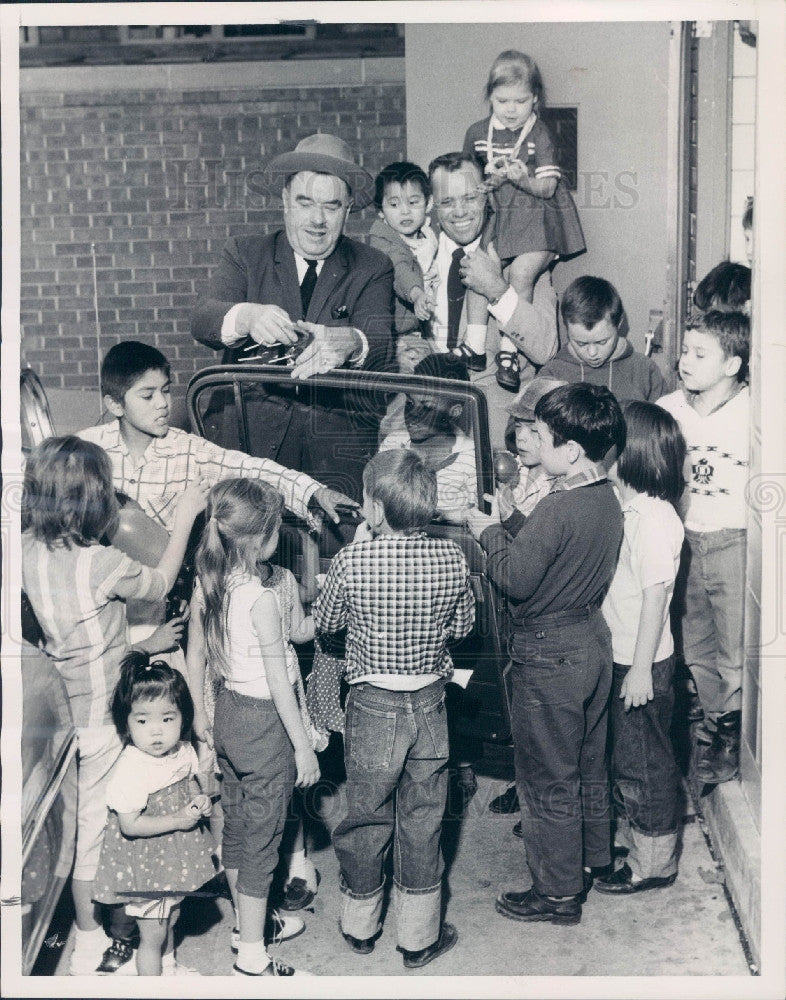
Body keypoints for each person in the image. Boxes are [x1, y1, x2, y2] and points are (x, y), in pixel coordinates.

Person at [20, 436, 207, 976]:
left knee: (72, 820)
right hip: (100, 720)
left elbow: (80, 637)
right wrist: (189, 515)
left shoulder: (28, 548)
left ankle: (94, 934)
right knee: (93, 833)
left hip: (60, 711)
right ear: (96, 499)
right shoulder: (101, 561)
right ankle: (87, 940)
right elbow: (162, 580)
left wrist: (139, 646)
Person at [461, 383, 625, 925]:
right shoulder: (603, 497)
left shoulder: (558, 505)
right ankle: (593, 860)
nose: (530, 441)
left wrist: (487, 536)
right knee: (587, 762)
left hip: (547, 654)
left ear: (571, 450)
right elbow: (554, 551)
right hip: (591, 644)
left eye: (543, 437)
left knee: (546, 775)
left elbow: (517, 578)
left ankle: (556, 893)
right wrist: (510, 523)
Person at [313, 450, 475, 968]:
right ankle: (418, 937)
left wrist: (359, 557)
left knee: (366, 814)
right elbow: (463, 628)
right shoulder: (452, 559)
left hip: (372, 705)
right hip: (430, 702)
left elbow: (328, 624)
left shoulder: (351, 561)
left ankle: (361, 926)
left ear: (375, 511)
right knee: (424, 819)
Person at [190, 133, 395, 494]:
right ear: (285, 201)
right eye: (305, 203)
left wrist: (351, 342)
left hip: (334, 457)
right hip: (245, 443)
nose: (317, 220)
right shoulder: (244, 253)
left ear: (348, 209)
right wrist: (247, 317)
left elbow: (380, 343)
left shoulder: (373, 266)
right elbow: (203, 320)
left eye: (331, 206)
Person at [191, 478, 320, 977]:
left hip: (228, 714)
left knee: (240, 828)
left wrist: (203, 715)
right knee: (265, 844)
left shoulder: (211, 583)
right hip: (266, 724)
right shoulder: (262, 599)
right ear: (262, 539)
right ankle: (252, 959)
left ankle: (247, 928)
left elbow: (197, 655)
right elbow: (279, 683)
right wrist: (303, 747)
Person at [596, 402, 686, 895]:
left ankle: (654, 864)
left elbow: (655, 597)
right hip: (623, 655)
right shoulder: (629, 506)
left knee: (644, 764)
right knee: (626, 759)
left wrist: (642, 671)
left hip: (641, 660)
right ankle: (639, 843)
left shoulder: (652, 517)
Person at [658, 310, 750, 784]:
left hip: (734, 543)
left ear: (732, 365)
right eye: (684, 350)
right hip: (686, 543)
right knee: (696, 645)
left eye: (699, 354)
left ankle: (731, 733)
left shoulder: (754, 409)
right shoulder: (670, 409)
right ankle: (716, 724)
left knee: (734, 647)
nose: (684, 360)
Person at [463, 50, 585, 392]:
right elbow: (466, 178)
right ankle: (472, 346)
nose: (511, 109)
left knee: (520, 273)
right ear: (489, 97)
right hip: (501, 217)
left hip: (537, 218)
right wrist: (479, 186)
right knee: (478, 267)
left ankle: (508, 352)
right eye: (502, 100)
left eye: (521, 101)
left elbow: (547, 188)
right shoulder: (477, 132)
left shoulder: (540, 133)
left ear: (536, 100)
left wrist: (520, 179)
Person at [92, 653, 216, 975]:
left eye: (168, 718)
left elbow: (190, 785)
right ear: (126, 724)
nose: (156, 732)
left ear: (183, 719)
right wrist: (178, 820)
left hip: (172, 857)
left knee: (171, 917)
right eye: (143, 720)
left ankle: (169, 969)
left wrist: (199, 800)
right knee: (153, 932)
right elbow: (130, 825)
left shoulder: (183, 750)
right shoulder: (133, 767)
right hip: (145, 863)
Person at [426, 151, 560, 398]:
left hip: (490, 425)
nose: (459, 212)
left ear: (487, 196)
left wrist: (496, 289)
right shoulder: (421, 256)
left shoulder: (522, 260)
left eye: (470, 197)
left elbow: (546, 348)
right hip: (432, 422)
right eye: (446, 202)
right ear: (431, 204)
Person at [378, 352, 478, 515]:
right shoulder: (393, 443)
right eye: (410, 403)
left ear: (454, 411)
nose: (413, 414)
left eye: (427, 407)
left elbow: (480, 520)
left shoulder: (472, 457)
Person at [539, 276, 666, 403]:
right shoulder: (551, 375)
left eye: (602, 342)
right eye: (581, 343)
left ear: (619, 323)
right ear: (567, 328)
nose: (592, 353)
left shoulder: (645, 371)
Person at [368, 160, 439, 338]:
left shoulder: (431, 236)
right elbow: (399, 268)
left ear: (428, 203)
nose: (405, 211)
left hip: (427, 325)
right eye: (394, 205)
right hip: (397, 333)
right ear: (381, 211)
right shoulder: (383, 240)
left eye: (413, 202)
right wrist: (416, 294)